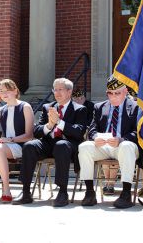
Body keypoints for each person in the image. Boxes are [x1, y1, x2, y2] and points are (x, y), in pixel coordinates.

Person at [13, 78, 87, 207]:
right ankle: (25, 191)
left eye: (60, 90)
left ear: (69, 92)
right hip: (48, 143)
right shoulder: (48, 107)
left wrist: (59, 122)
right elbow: (37, 132)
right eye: (55, 90)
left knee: (61, 145)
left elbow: (78, 132)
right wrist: (50, 124)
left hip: (67, 145)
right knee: (30, 145)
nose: (57, 93)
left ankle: (63, 192)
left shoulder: (79, 109)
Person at [78, 76, 143, 209]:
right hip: (104, 145)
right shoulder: (99, 106)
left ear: (125, 91)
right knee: (84, 147)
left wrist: (121, 139)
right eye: (110, 93)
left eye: (117, 93)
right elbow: (92, 128)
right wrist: (95, 137)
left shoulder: (136, 107)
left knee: (126, 146)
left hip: (124, 145)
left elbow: (139, 132)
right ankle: (90, 192)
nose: (113, 97)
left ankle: (126, 193)